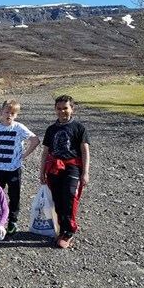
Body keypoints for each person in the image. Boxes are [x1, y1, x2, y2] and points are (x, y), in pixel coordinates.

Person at [39, 95, 90, 249]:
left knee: (69, 197)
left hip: (72, 167)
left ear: (72, 109)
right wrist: (42, 171)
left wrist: (85, 172)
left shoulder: (79, 128)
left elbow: (85, 151)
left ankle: (67, 232)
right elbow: (45, 152)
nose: (62, 111)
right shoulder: (51, 129)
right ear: (55, 110)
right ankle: (63, 226)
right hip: (54, 167)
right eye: (59, 108)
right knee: (57, 199)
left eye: (65, 108)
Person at [0, 99, 40, 236]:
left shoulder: (19, 128)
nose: (9, 115)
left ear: (16, 115)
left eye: (13, 113)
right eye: (7, 112)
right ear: (1, 112)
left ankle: (12, 221)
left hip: (13, 169)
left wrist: (25, 154)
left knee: (14, 196)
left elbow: (35, 140)